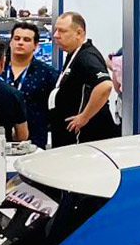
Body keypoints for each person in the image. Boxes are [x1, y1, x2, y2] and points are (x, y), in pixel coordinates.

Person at [49, 12, 120, 146]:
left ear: (79, 33)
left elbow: (105, 85)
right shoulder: (74, 55)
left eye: (62, 31)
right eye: (56, 30)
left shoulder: (86, 57)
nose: (56, 35)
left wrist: (84, 117)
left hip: (84, 138)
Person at [5, 22, 57, 147]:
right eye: (16, 38)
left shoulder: (47, 73)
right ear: (11, 42)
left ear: (36, 45)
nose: (20, 42)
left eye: (26, 40)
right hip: (0, 138)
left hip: (34, 140)